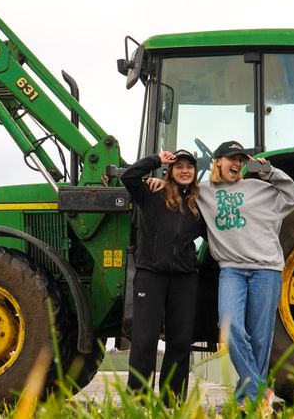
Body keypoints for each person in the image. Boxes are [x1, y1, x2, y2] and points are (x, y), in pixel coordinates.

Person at [195, 140, 294, 409]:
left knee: (259, 337)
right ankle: (259, 390)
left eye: (241, 160)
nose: (237, 164)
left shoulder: (261, 189)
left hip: (266, 270)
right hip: (231, 269)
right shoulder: (203, 192)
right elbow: (177, 191)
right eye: (232, 158)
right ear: (218, 161)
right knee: (229, 328)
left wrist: (270, 173)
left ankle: (248, 401)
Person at [121, 149, 206, 401]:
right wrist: (156, 160)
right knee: (144, 340)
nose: (184, 170)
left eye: (189, 166)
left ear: (194, 172)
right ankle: (138, 399)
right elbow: (129, 177)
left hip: (184, 277)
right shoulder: (152, 193)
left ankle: (173, 399)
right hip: (151, 274)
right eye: (178, 166)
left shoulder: (200, 203)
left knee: (180, 342)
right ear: (170, 170)